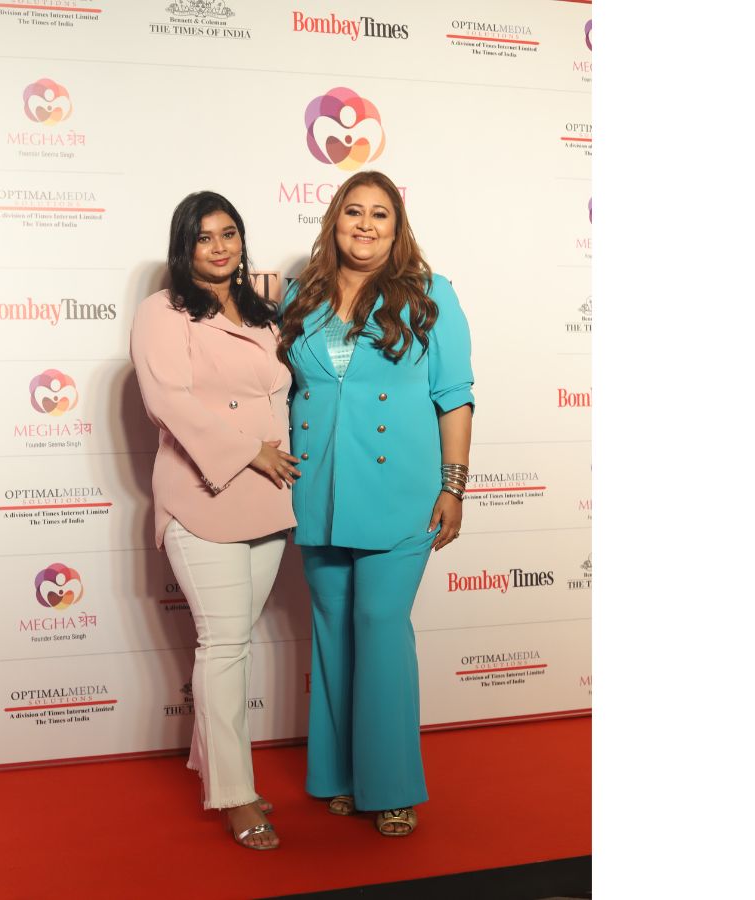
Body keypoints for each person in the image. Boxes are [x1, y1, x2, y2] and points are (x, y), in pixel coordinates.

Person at [278, 170, 475, 837]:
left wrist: (453, 485)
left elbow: (454, 395)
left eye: (380, 214)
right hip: (317, 491)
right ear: (334, 221)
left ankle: (390, 786)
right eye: (353, 212)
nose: (365, 224)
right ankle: (338, 775)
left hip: (399, 494)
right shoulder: (299, 296)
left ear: (397, 228)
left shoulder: (430, 294)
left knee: (381, 625)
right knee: (332, 628)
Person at [130, 191, 301, 850]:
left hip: (267, 496)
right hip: (204, 494)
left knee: (233, 644)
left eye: (229, 233)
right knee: (224, 646)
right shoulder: (163, 311)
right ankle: (235, 795)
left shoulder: (261, 311)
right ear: (185, 246)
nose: (220, 247)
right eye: (205, 237)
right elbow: (166, 401)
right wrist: (249, 451)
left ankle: (216, 769)